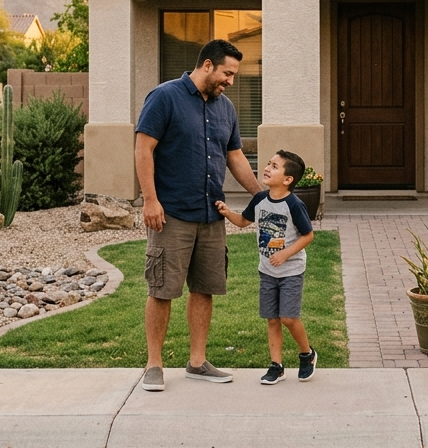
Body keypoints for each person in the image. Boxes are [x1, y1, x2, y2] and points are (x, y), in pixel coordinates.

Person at [135, 38, 263, 392]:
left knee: (204, 288)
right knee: (162, 289)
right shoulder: (164, 97)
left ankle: (197, 361)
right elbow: (143, 148)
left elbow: (235, 156)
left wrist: (262, 196)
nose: (231, 81)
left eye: (234, 75)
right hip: (171, 212)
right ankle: (154, 365)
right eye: (227, 73)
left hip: (211, 213)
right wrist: (150, 200)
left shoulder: (226, 109)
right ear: (207, 65)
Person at [215, 150, 318, 385]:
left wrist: (285, 253)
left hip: (291, 271)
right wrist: (227, 212)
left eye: (274, 166)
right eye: (268, 164)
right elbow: (243, 221)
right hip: (267, 271)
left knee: (288, 318)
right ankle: (276, 365)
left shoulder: (294, 204)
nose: (267, 168)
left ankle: (307, 354)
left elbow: (308, 235)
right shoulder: (260, 199)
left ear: (288, 179)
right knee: (272, 318)